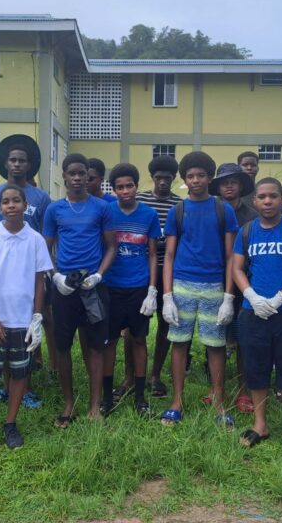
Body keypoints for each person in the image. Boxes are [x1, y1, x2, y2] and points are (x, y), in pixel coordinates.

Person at [232, 177, 282, 457]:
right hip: (253, 313)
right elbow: (238, 269)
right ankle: (260, 424)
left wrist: (280, 298)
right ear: (254, 201)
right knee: (256, 369)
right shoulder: (246, 232)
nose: (267, 201)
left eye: (273, 196)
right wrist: (252, 296)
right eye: (262, 197)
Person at [161, 151, 239, 427]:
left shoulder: (223, 209)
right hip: (182, 284)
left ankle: (219, 403)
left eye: (201, 175)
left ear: (209, 178)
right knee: (179, 343)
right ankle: (176, 401)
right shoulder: (177, 210)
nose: (196, 180)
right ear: (184, 179)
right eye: (190, 176)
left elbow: (232, 256)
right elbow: (168, 255)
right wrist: (167, 295)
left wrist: (229, 296)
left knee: (215, 346)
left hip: (214, 287)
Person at [0, 185, 51, 454]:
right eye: (5, 202)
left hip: (23, 320)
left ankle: (10, 423)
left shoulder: (36, 240)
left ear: (25, 205)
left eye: (16, 200)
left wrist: (36, 318)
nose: (11, 205)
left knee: (20, 374)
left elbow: (40, 281)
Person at [0, 134, 52, 409]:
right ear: (5, 163)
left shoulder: (41, 197)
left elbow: (46, 235)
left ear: (29, 164)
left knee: (25, 335)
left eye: (22, 160)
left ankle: (26, 387)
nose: (17, 164)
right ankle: (2, 386)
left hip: (28, 268)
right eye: (13, 160)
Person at [43, 153, 116, 425]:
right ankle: (68, 402)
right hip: (65, 287)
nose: (76, 178)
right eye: (71, 173)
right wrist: (56, 276)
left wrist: (99, 275)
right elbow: (45, 247)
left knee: (96, 345)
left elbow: (112, 246)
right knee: (63, 346)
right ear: (64, 176)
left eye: (81, 173)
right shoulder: (54, 209)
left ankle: (95, 405)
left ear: (89, 176)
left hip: (93, 287)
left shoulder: (101, 207)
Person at [115, 156, 183, 399]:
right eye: (158, 178)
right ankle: (129, 376)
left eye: (167, 178)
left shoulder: (179, 205)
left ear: (173, 179)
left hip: (169, 272)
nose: (163, 182)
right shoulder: (140, 199)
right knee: (131, 329)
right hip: (139, 272)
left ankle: (154, 375)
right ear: (151, 178)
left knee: (165, 324)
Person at [101, 163, 161, 417]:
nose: (125, 191)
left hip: (138, 287)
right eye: (119, 187)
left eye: (129, 186)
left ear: (137, 186)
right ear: (113, 190)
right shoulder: (106, 212)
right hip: (111, 287)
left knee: (138, 340)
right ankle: (106, 397)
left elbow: (152, 253)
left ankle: (139, 397)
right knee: (110, 341)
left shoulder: (148, 215)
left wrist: (152, 289)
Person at [209, 163, 256, 413]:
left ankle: (244, 390)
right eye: (224, 182)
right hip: (215, 280)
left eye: (234, 181)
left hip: (245, 284)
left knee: (243, 338)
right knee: (215, 337)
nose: (229, 185)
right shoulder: (211, 211)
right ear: (217, 187)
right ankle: (216, 389)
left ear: (241, 186)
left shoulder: (253, 216)